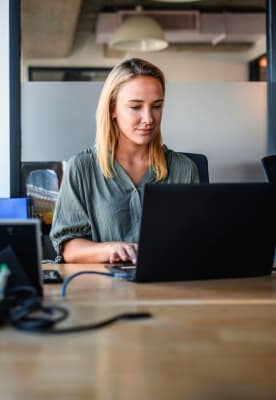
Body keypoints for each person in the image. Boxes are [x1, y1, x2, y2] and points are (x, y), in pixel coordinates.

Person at [50, 58, 199, 265]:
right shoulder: (82, 167)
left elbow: (197, 242)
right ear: (112, 109)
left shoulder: (185, 169)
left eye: (156, 106)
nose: (149, 118)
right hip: (105, 290)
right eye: (136, 107)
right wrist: (112, 248)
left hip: (169, 287)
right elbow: (69, 248)